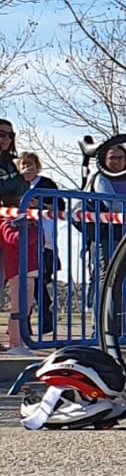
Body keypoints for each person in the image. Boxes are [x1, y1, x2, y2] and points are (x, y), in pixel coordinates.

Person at [17, 152, 62, 335]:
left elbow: (60, 207)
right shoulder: (15, 184)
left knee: (40, 283)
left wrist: (40, 204)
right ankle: (22, 325)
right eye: (24, 163)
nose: (28, 167)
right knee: (21, 284)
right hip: (20, 240)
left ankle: (45, 321)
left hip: (45, 241)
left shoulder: (47, 184)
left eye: (31, 163)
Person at [0, 118, 25, 349]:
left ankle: (12, 339)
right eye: (1, 134)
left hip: (6, 227)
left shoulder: (10, 163)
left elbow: (23, 190)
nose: (5, 139)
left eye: (9, 134)